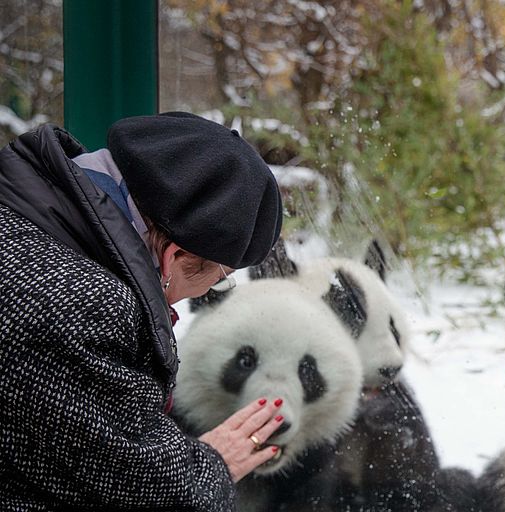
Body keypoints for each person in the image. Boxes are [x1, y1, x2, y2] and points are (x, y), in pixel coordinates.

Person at [0, 112, 289, 510]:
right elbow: (136, 486)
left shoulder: (21, 209)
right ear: (174, 258)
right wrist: (211, 468)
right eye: (219, 278)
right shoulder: (89, 305)